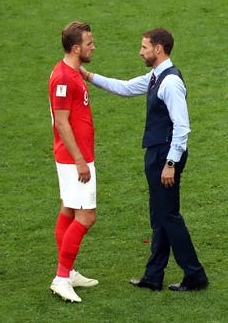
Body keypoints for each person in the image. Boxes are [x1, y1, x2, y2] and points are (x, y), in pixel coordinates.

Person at [80, 28, 209, 292]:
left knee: (169, 216)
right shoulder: (156, 77)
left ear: (158, 49)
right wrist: (89, 76)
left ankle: (195, 274)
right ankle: (153, 276)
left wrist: (170, 164)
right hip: (158, 153)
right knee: (159, 216)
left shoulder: (170, 82)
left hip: (165, 156)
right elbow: (126, 88)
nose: (140, 52)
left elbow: (182, 127)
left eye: (144, 47)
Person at [47, 21, 100, 303]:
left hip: (74, 156)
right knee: (86, 216)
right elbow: (62, 122)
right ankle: (62, 277)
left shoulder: (70, 72)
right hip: (74, 159)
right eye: (89, 43)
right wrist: (80, 160)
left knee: (69, 209)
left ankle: (68, 272)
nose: (94, 46)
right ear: (76, 47)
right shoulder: (64, 78)